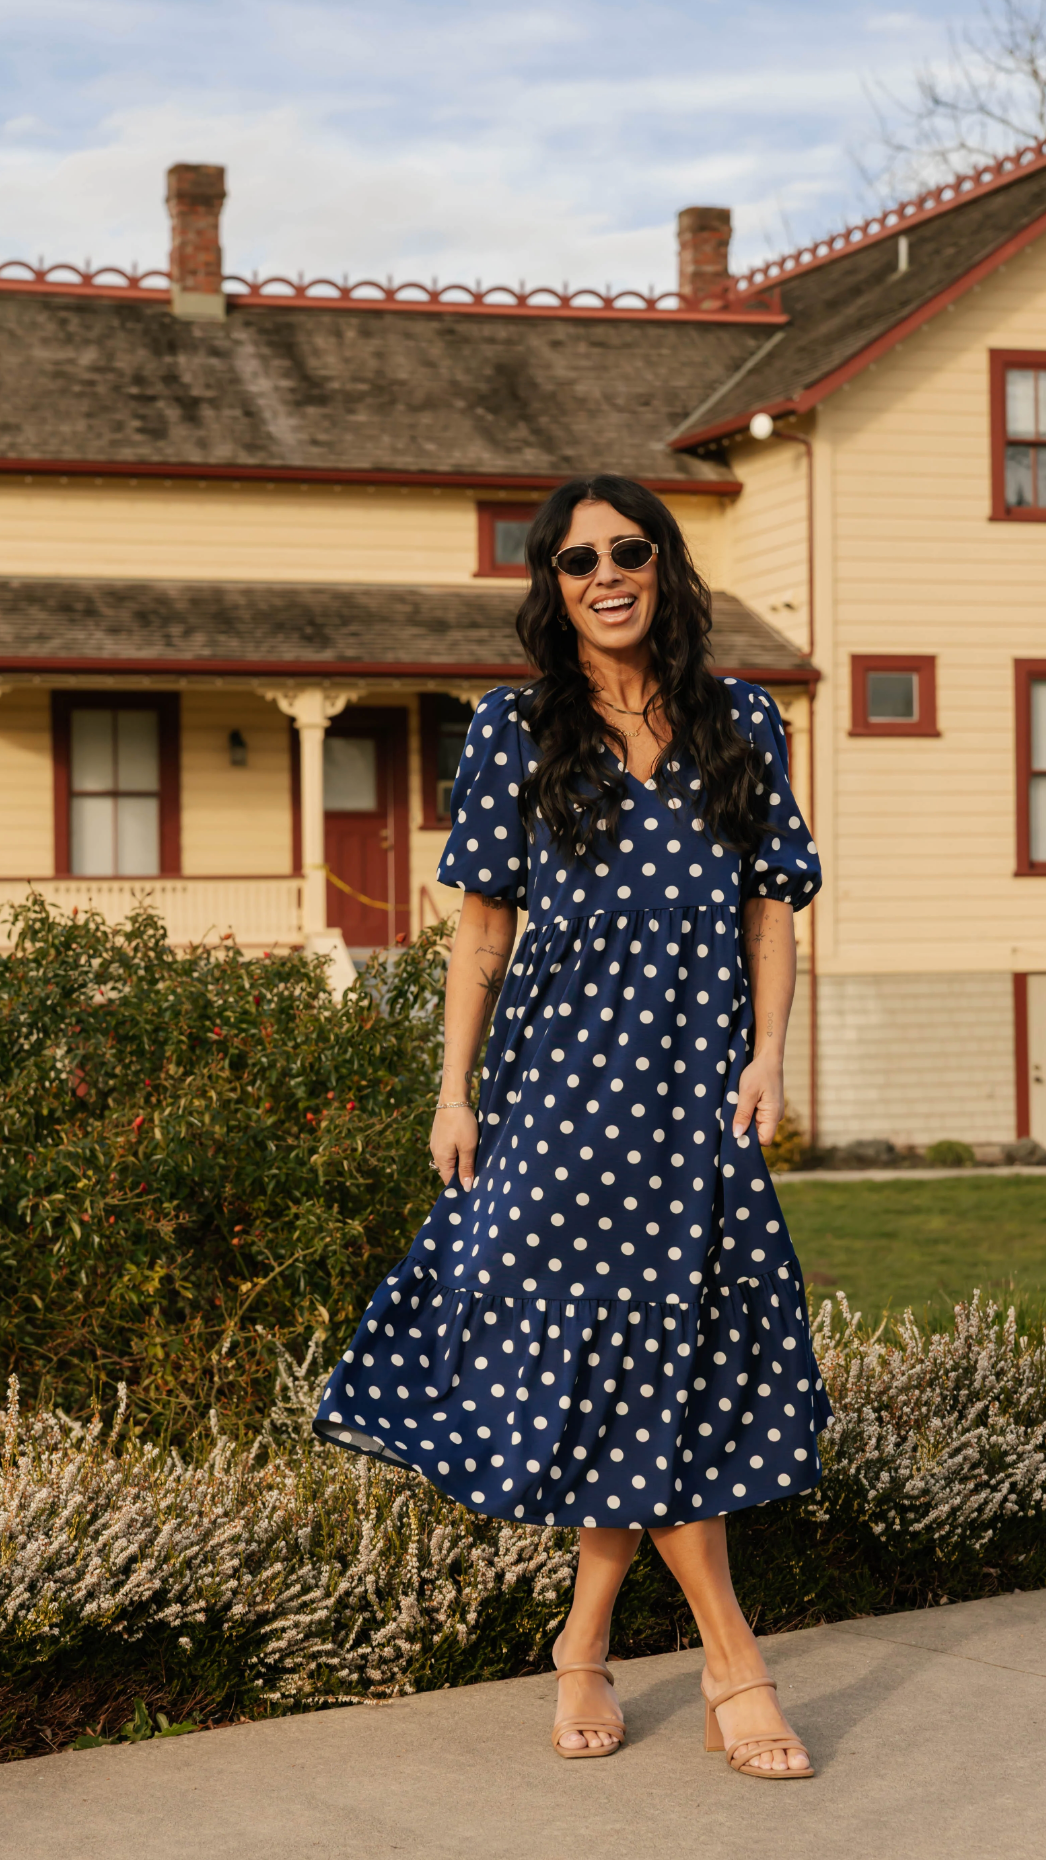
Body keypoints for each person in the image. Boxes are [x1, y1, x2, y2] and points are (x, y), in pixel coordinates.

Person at [314, 473, 826, 1777]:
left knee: (663, 1352)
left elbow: (771, 906)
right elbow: (482, 925)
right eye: (577, 558)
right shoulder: (512, 731)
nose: (606, 572)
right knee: (616, 1351)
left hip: (692, 1090)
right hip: (555, 1094)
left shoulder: (741, 721)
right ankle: (732, 1662)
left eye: (629, 550)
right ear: (551, 585)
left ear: (662, 569)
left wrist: (765, 1057)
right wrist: (453, 1089)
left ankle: (583, 1642)